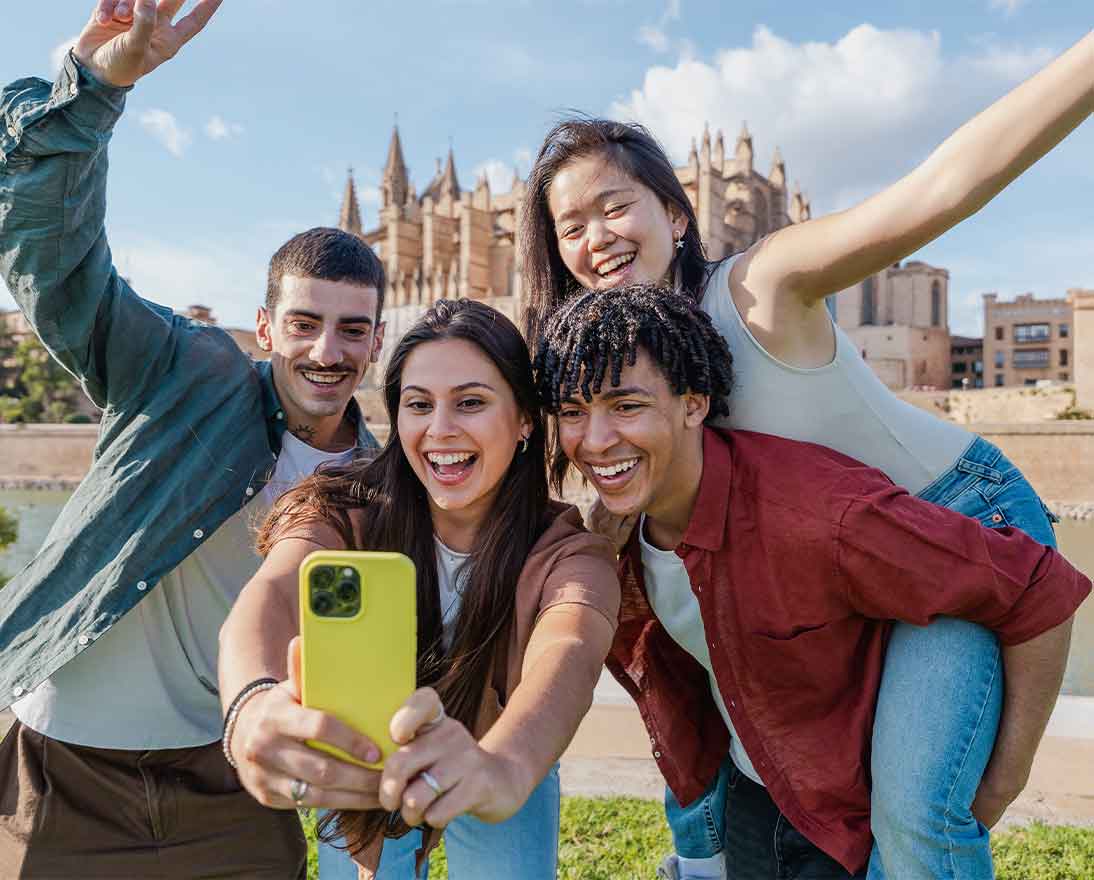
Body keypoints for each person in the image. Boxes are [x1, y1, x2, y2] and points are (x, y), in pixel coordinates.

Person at [519, 33, 1093, 880]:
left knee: (918, 819)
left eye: (615, 206)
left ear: (676, 215)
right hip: (848, 558)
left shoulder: (761, 288)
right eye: (570, 226)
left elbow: (943, 186)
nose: (595, 237)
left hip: (960, 520)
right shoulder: (620, 361)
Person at [0, 2, 387, 876]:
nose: (327, 353)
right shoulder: (184, 371)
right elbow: (54, 265)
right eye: (305, 324)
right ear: (264, 325)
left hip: (231, 782)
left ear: (377, 337)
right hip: (67, 765)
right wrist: (95, 90)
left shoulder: (378, 482)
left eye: (353, 330)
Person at [533, 283, 1089, 879]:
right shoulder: (614, 534)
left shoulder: (821, 515)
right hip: (759, 795)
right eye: (572, 412)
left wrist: (1002, 782)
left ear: (694, 403)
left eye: (626, 405)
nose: (593, 441)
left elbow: (1038, 588)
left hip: (853, 818)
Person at [218, 298, 619, 879]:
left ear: (526, 419)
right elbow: (274, 593)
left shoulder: (563, 550)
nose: (440, 430)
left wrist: (500, 767)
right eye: (419, 405)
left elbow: (571, 648)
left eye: (471, 403)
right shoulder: (343, 510)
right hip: (363, 758)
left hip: (503, 748)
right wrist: (250, 707)